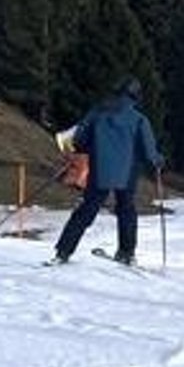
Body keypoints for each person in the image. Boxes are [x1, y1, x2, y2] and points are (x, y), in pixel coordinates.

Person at [49, 76, 164, 265]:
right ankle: (127, 253)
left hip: (99, 170)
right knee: (126, 209)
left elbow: (78, 140)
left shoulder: (97, 113)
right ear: (135, 96)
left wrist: (89, 149)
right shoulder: (139, 120)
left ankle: (63, 252)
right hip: (127, 173)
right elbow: (149, 152)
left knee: (86, 210)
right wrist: (158, 161)